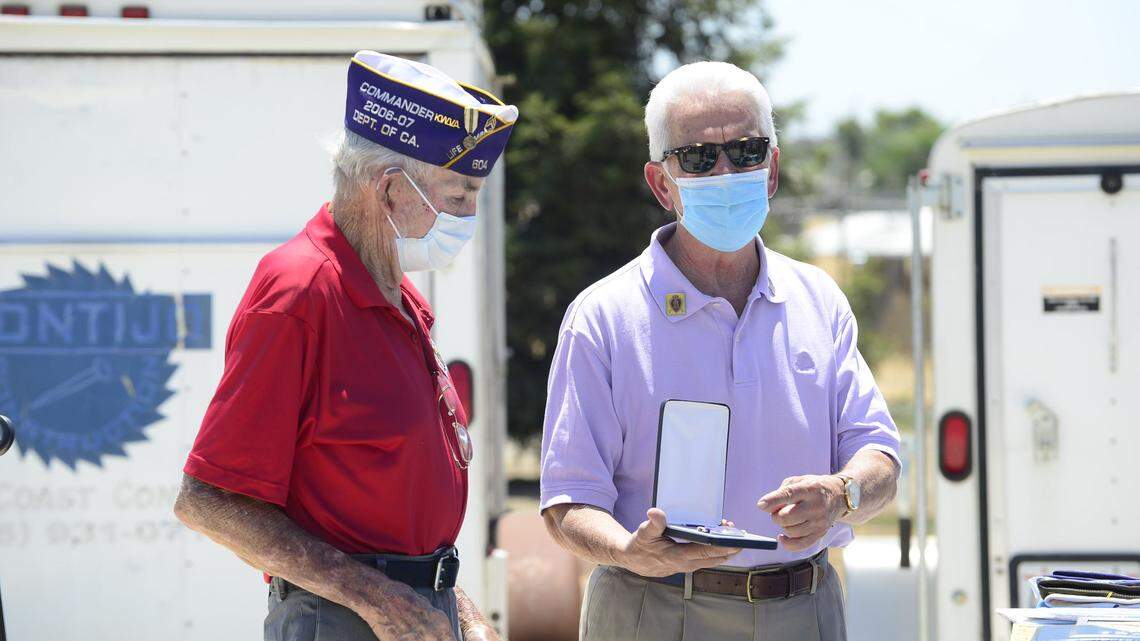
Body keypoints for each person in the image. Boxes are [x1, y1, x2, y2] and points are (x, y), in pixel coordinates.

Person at [538, 61, 901, 641]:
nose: (727, 170)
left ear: (773, 168)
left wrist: (841, 494)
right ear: (662, 184)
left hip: (802, 609)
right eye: (700, 158)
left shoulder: (820, 300)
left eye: (746, 150)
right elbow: (567, 502)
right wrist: (632, 552)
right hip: (652, 609)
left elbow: (879, 454)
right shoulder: (602, 317)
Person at [173, 50, 517, 641]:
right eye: (459, 195)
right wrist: (380, 600)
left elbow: (394, 518)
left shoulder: (400, 295)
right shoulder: (299, 289)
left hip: (410, 612)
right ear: (388, 190)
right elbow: (208, 501)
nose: (469, 214)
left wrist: (459, 612)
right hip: (345, 620)